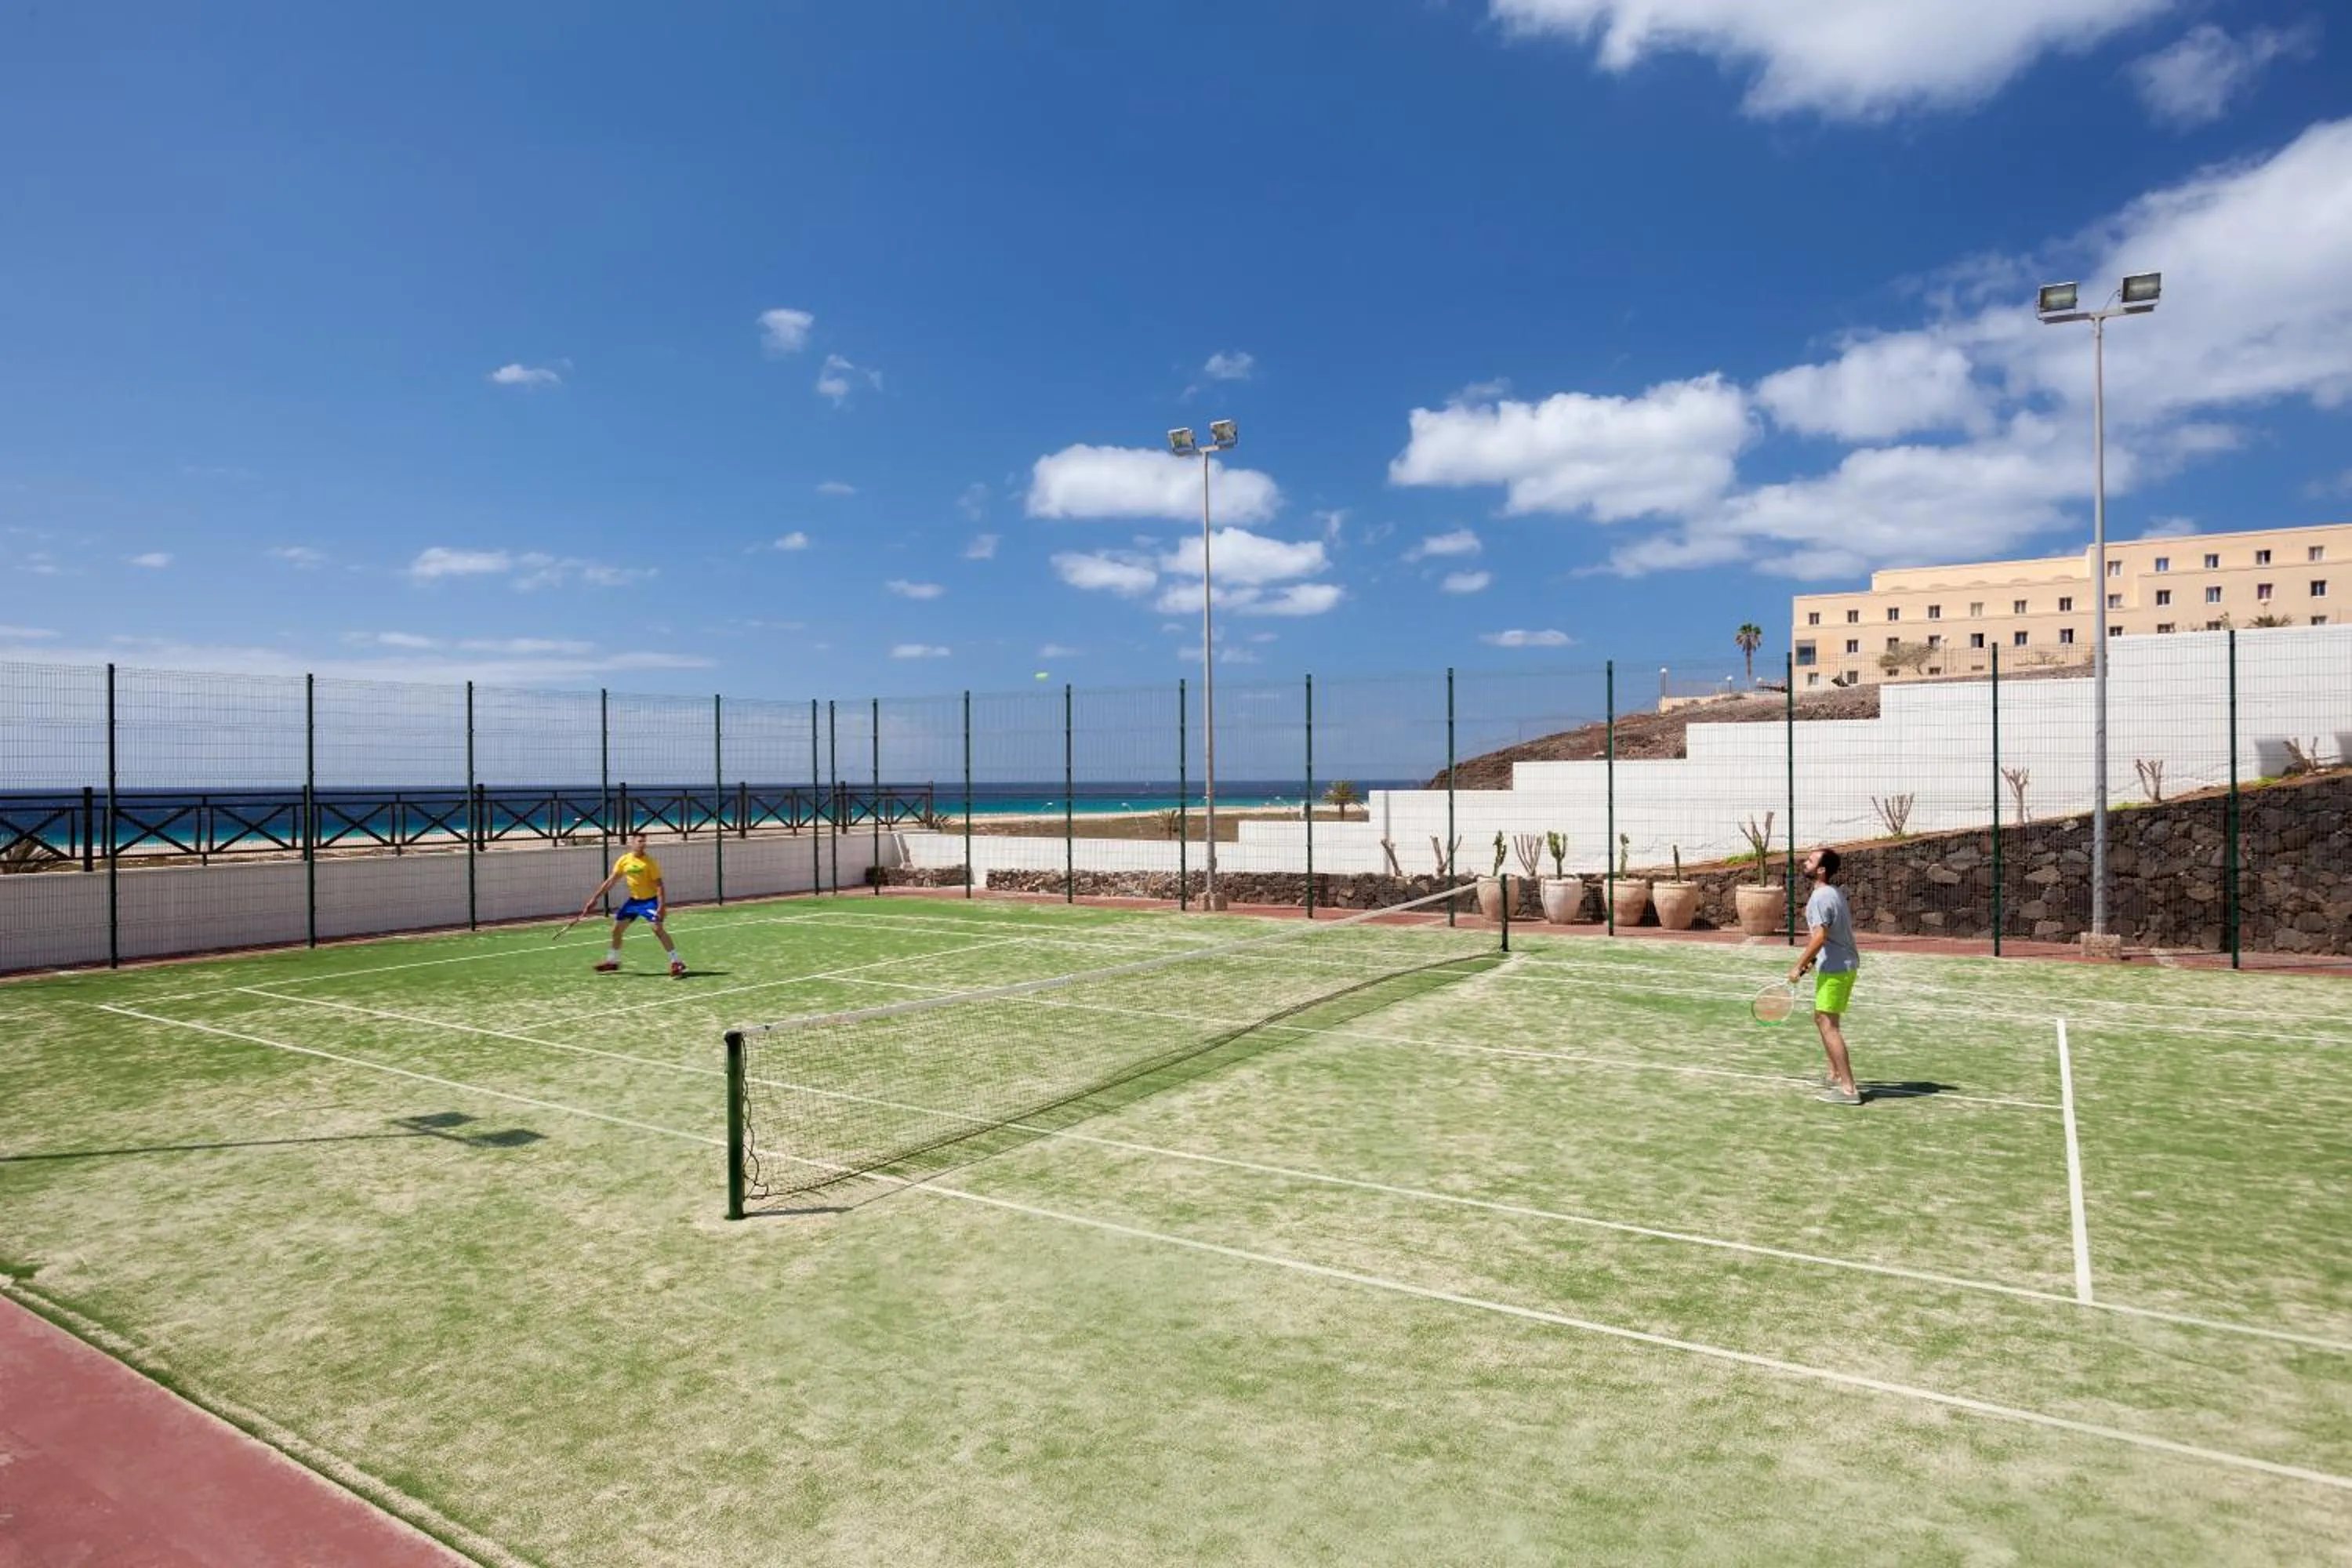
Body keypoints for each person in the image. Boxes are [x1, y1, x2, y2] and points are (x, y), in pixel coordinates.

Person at [1788, 846, 1862, 1105]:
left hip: (1837, 969)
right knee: (1822, 1019)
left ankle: (1849, 1090)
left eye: (1810, 861)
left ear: (1821, 869)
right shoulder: (1832, 892)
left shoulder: (1821, 897)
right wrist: (1813, 962)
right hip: (1841, 965)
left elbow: (1820, 936)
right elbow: (1831, 936)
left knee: (1828, 1024)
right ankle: (1834, 1074)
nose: (1805, 863)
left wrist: (1799, 965)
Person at [579, 832, 685, 978]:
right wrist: (594, 899)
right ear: (632, 843)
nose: (643, 844)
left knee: (657, 928)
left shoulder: (649, 862)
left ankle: (677, 962)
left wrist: (661, 906)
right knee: (616, 930)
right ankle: (612, 961)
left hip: (650, 901)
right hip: (633, 902)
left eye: (644, 842)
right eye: (640, 841)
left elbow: (659, 885)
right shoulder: (624, 860)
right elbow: (611, 881)